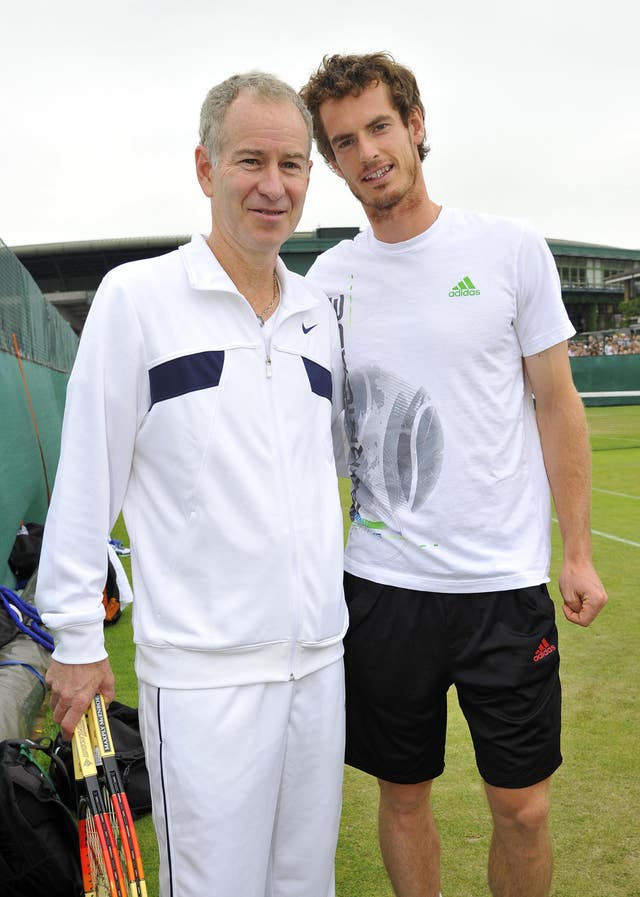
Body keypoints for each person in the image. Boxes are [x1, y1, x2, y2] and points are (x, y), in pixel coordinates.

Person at [300, 52, 608, 897]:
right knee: (402, 799)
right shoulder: (326, 282)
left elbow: (557, 403)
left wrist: (575, 551)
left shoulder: (510, 250)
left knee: (524, 808)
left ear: (417, 125)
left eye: (380, 127)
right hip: (384, 587)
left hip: (501, 587)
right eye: (344, 141)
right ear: (331, 161)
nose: (367, 152)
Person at [35, 72, 348, 897]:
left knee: (305, 883)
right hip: (206, 680)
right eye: (251, 160)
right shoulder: (137, 298)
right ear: (206, 169)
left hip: (318, 666)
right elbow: (87, 476)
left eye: (292, 164)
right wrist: (74, 635)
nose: (273, 185)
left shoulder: (318, 312)